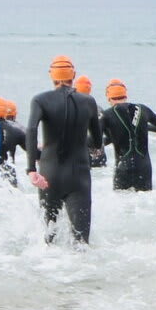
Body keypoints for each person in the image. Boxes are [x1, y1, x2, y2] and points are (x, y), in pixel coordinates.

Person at [25, 56, 102, 243]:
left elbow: (31, 129)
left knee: (49, 238)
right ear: (73, 75)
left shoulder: (40, 100)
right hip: (79, 175)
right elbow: (97, 142)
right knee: (82, 241)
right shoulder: (89, 101)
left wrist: (31, 169)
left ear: (51, 75)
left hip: (49, 174)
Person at [100, 79, 156, 192]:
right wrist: (143, 127)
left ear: (109, 98)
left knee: (123, 205)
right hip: (144, 168)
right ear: (125, 95)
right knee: (145, 205)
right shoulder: (142, 109)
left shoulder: (107, 115)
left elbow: (94, 140)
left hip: (123, 168)